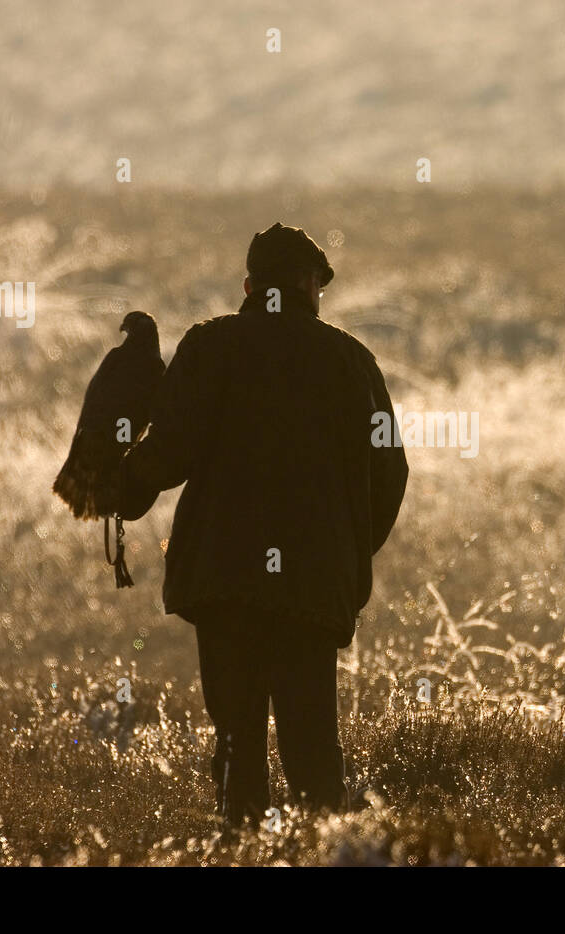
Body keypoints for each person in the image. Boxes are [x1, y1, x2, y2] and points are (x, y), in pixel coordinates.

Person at [115, 223, 408, 824]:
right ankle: (332, 857)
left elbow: (168, 451)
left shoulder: (210, 347)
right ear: (307, 286)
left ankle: (242, 851)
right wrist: (348, 554)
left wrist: (119, 486)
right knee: (314, 759)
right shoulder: (353, 363)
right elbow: (391, 475)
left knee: (237, 749)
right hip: (312, 591)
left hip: (226, 587)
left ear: (250, 284)